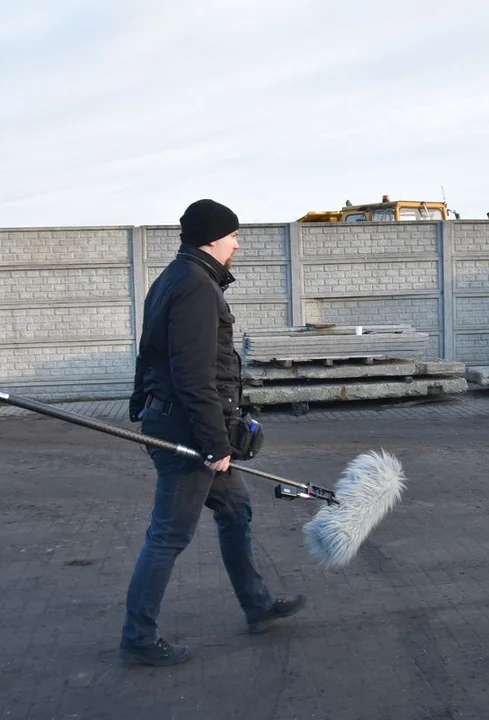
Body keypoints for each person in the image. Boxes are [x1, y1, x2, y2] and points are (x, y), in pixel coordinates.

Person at [119, 199, 305, 667]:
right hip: (190, 432)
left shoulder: (171, 279)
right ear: (211, 238)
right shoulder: (196, 287)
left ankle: (257, 605)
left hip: (183, 423)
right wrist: (215, 443)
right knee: (169, 535)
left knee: (235, 509)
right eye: (233, 235)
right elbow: (193, 374)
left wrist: (142, 405)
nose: (237, 243)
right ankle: (138, 639)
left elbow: (149, 354)